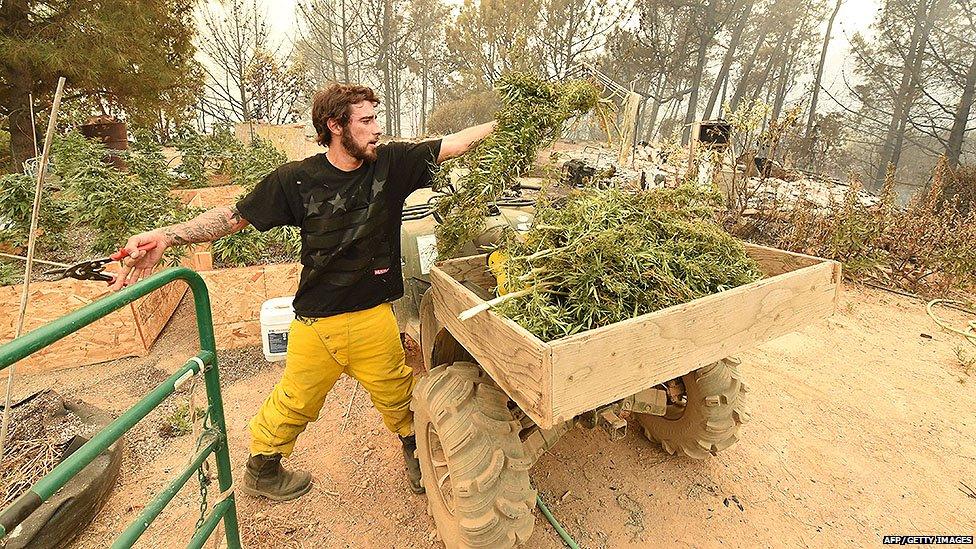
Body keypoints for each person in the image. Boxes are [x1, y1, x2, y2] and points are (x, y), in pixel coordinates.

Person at [112, 83, 494, 500]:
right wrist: (168, 235)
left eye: (375, 119)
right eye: (365, 121)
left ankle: (415, 452)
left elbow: (456, 143)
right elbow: (234, 217)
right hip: (319, 323)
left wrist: (506, 122)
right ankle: (262, 471)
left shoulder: (392, 164)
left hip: (373, 317)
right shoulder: (296, 181)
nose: (376, 129)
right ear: (334, 126)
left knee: (399, 394)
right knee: (294, 401)